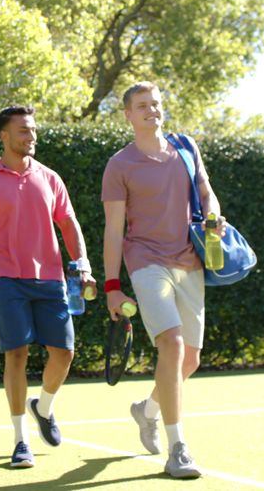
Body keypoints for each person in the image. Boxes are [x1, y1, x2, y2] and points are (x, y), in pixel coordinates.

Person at [0, 105, 96, 468]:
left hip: (51, 279)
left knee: (64, 353)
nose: (30, 136)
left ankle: (44, 408)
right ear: (4, 136)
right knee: (16, 353)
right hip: (4, 278)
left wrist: (81, 264)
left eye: (33, 130)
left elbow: (69, 223)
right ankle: (21, 441)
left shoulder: (50, 178)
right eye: (23, 131)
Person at [101, 81, 225, 479]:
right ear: (128, 116)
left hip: (190, 261)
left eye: (155, 104)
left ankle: (147, 410)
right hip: (145, 260)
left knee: (189, 359)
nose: (151, 110)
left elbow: (207, 193)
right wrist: (111, 285)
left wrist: (213, 216)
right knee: (170, 344)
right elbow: (114, 229)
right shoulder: (119, 165)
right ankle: (178, 449)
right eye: (142, 106)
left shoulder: (185, 147)